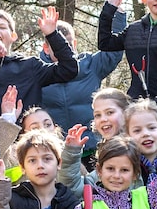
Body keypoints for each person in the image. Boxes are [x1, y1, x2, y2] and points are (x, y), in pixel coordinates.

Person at [40, 18, 126, 166]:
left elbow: (114, 51)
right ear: (46, 48)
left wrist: (117, 15)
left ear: (74, 44)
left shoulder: (90, 65)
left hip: (93, 148)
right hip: (58, 154)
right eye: (56, 45)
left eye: (67, 43)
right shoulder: (38, 72)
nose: (62, 48)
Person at [0, 7, 79, 127]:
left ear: (13, 36)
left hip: (29, 140)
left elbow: (69, 69)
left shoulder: (29, 66)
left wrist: (52, 34)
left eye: (2, 27)